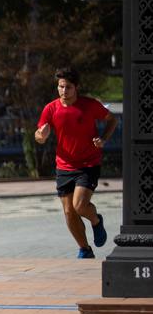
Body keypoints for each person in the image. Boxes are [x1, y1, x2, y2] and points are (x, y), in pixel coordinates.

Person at [35, 67, 118, 259]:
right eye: (61, 87)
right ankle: (85, 249)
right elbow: (39, 135)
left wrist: (103, 139)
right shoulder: (51, 108)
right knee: (68, 212)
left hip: (88, 163)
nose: (64, 91)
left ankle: (96, 221)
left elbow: (111, 119)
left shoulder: (89, 105)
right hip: (64, 165)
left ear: (76, 88)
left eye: (68, 87)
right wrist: (41, 135)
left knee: (80, 205)